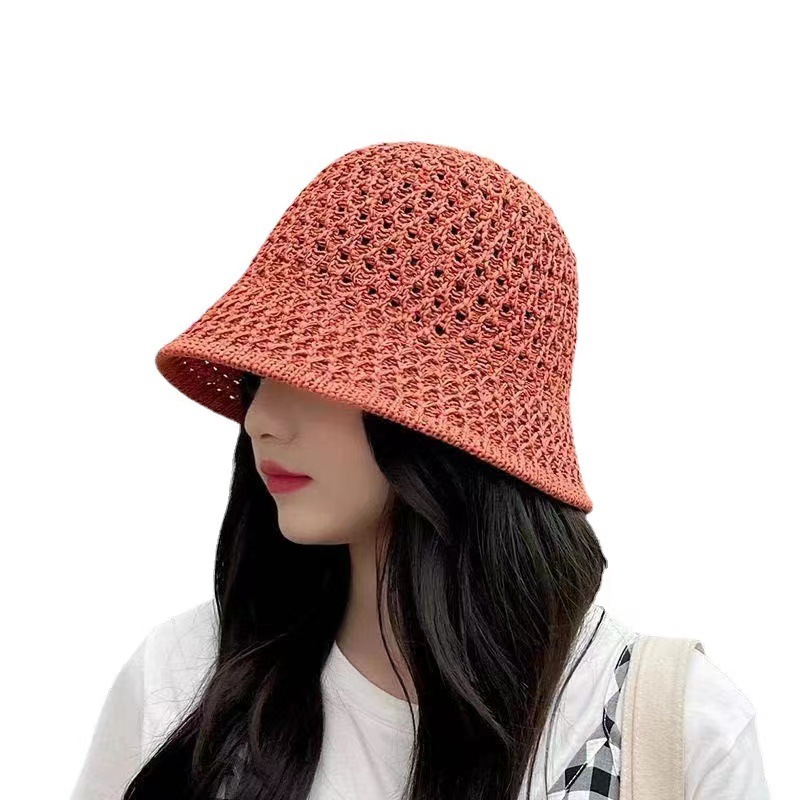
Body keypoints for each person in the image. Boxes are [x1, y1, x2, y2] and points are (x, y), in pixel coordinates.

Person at [69, 141, 770, 799]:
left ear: (451, 418)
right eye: (260, 374)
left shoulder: (670, 726)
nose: (261, 420)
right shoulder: (182, 680)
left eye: (315, 371)